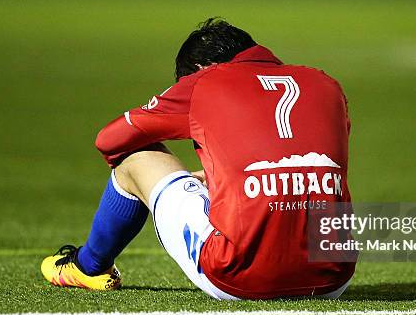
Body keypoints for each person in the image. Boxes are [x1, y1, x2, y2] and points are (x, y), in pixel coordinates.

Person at [41, 18, 355, 300]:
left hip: (239, 275)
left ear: (201, 70)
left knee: (134, 159)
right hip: (332, 275)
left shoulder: (205, 82)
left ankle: (88, 265)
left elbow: (109, 140)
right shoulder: (325, 84)